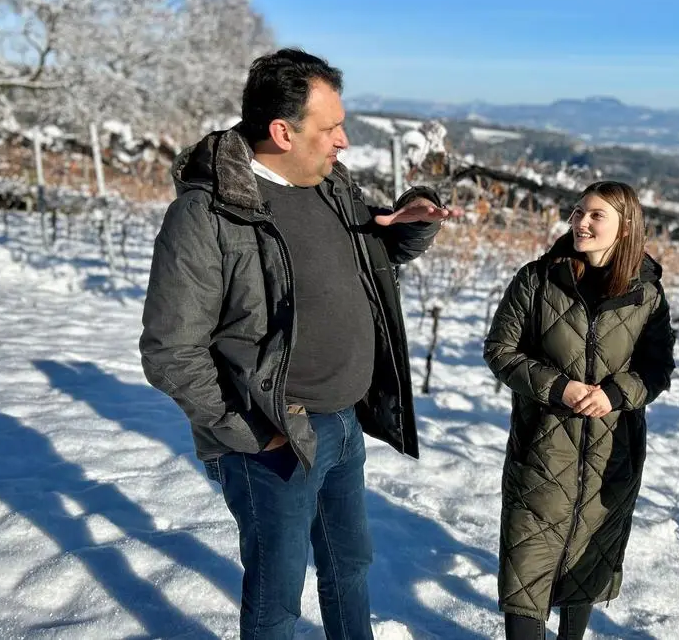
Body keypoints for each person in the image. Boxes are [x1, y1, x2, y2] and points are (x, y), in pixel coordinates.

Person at [139, 48, 455, 639]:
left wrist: (412, 220)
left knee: (350, 566)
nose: (343, 142)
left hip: (344, 424)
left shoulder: (331, 186)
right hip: (275, 440)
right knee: (278, 597)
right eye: (331, 127)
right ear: (282, 131)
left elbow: (373, 256)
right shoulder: (207, 216)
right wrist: (254, 434)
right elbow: (170, 353)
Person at [484, 181, 676, 639]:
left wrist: (616, 393)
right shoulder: (537, 279)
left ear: (625, 227)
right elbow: (500, 350)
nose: (580, 223)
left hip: (612, 453)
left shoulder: (646, 294)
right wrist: (558, 388)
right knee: (527, 566)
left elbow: (657, 367)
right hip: (543, 448)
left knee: (588, 561)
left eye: (595, 216)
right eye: (577, 212)